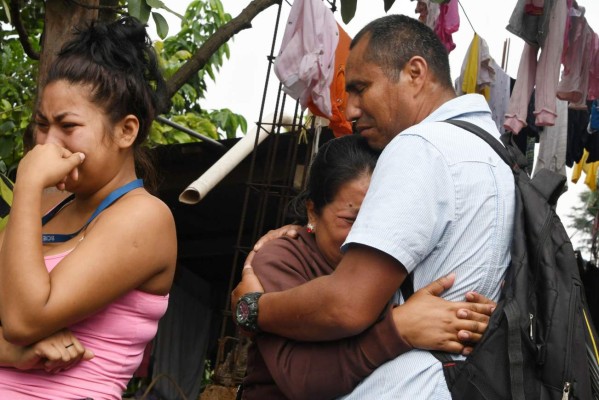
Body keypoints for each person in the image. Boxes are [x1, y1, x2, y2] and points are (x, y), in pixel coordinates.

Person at [233, 14, 515, 399]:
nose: (349, 110)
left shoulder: (421, 146)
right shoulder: (493, 156)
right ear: (313, 212)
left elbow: (346, 306)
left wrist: (252, 309)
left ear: (415, 73)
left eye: (361, 88)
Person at [0, 16, 177, 400]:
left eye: (68, 125)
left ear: (125, 131)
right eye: (42, 125)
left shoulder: (145, 218)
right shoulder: (46, 205)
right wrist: (7, 353)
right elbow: (15, 332)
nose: (47, 143)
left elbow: (23, 318)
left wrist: (28, 182)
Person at [242, 134, 496, 400]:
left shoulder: (392, 259)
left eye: (376, 218)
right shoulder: (280, 258)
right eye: (350, 219)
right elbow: (302, 379)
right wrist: (399, 330)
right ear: (313, 211)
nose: (364, 232)